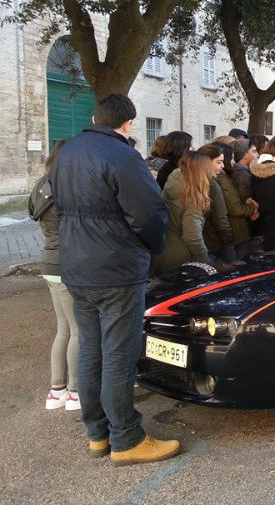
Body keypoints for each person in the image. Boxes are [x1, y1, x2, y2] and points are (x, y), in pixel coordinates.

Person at [49, 93, 177, 465]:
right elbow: (149, 214)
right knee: (118, 355)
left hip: (77, 267)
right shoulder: (124, 156)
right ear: (127, 123)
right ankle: (126, 438)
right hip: (116, 270)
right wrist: (154, 246)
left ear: (95, 118)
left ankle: (98, 434)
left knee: (91, 350)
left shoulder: (67, 152)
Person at [30, 140, 81, 411]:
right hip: (66, 265)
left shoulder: (42, 184)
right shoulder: (65, 187)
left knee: (63, 329)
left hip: (49, 264)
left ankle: (56, 390)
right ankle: (74, 392)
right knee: (78, 332)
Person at [151, 152, 217, 275]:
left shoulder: (174, 182)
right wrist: (205, 259)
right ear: (201, 171)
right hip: (180, 256)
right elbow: (192, 235)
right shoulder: (193, 197)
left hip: (162, 249)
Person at [196, 143, 236, 263]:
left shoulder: (195, 179)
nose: (222, 166)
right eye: (219, 162)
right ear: (206, 162)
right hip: (213, 242)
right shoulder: (211, 183)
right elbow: (221, 218)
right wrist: (229, 250)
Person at [215, 142, 259, 246]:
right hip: (237, 228)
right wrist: (253, 209)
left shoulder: (227, 175)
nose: (234, 162)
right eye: (231, 158)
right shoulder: (238, 174)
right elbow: (236, 207)